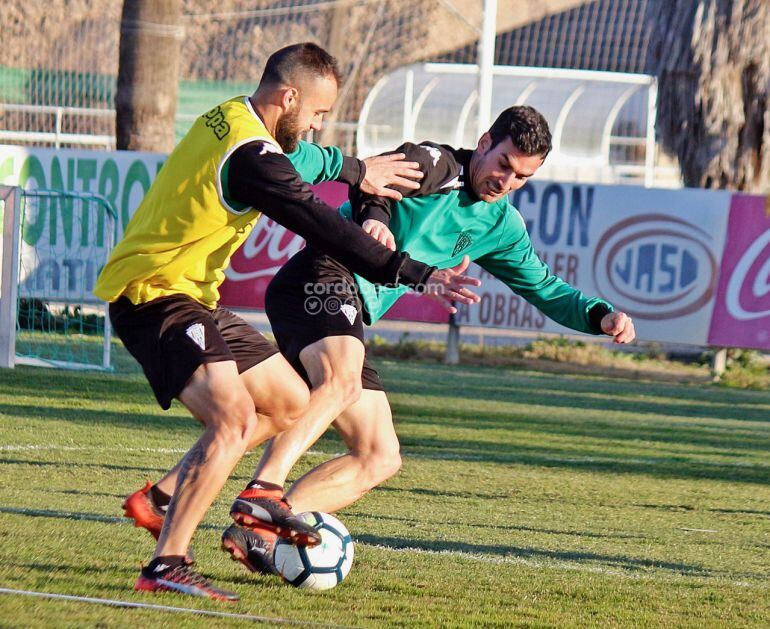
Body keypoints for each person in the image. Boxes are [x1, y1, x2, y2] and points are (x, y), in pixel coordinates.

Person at [131, 105, 636, 576]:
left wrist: (600, 315)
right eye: (503, 163)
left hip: (351, 307)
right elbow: (379, 178)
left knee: (378, 454)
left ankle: (225, 518)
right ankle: (264, 491)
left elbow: (544, 287)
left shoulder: (501, 226)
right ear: (484, 143)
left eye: (522, 176)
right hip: (323, 273)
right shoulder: (439, 164)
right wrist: (374, 214)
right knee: (340, 381)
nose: (506, 180)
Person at [98, 42, 480, 601]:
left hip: (194, 299)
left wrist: (356, 169)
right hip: (152, 294)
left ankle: (162, 500)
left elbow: (302, 162)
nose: (322, 125)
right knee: (231, 419)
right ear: (290, 96)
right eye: (320, 114)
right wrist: (413, 272)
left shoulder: (235, 114)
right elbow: (319, 220)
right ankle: (168, 562)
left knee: (290, 403)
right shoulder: (251, 158)